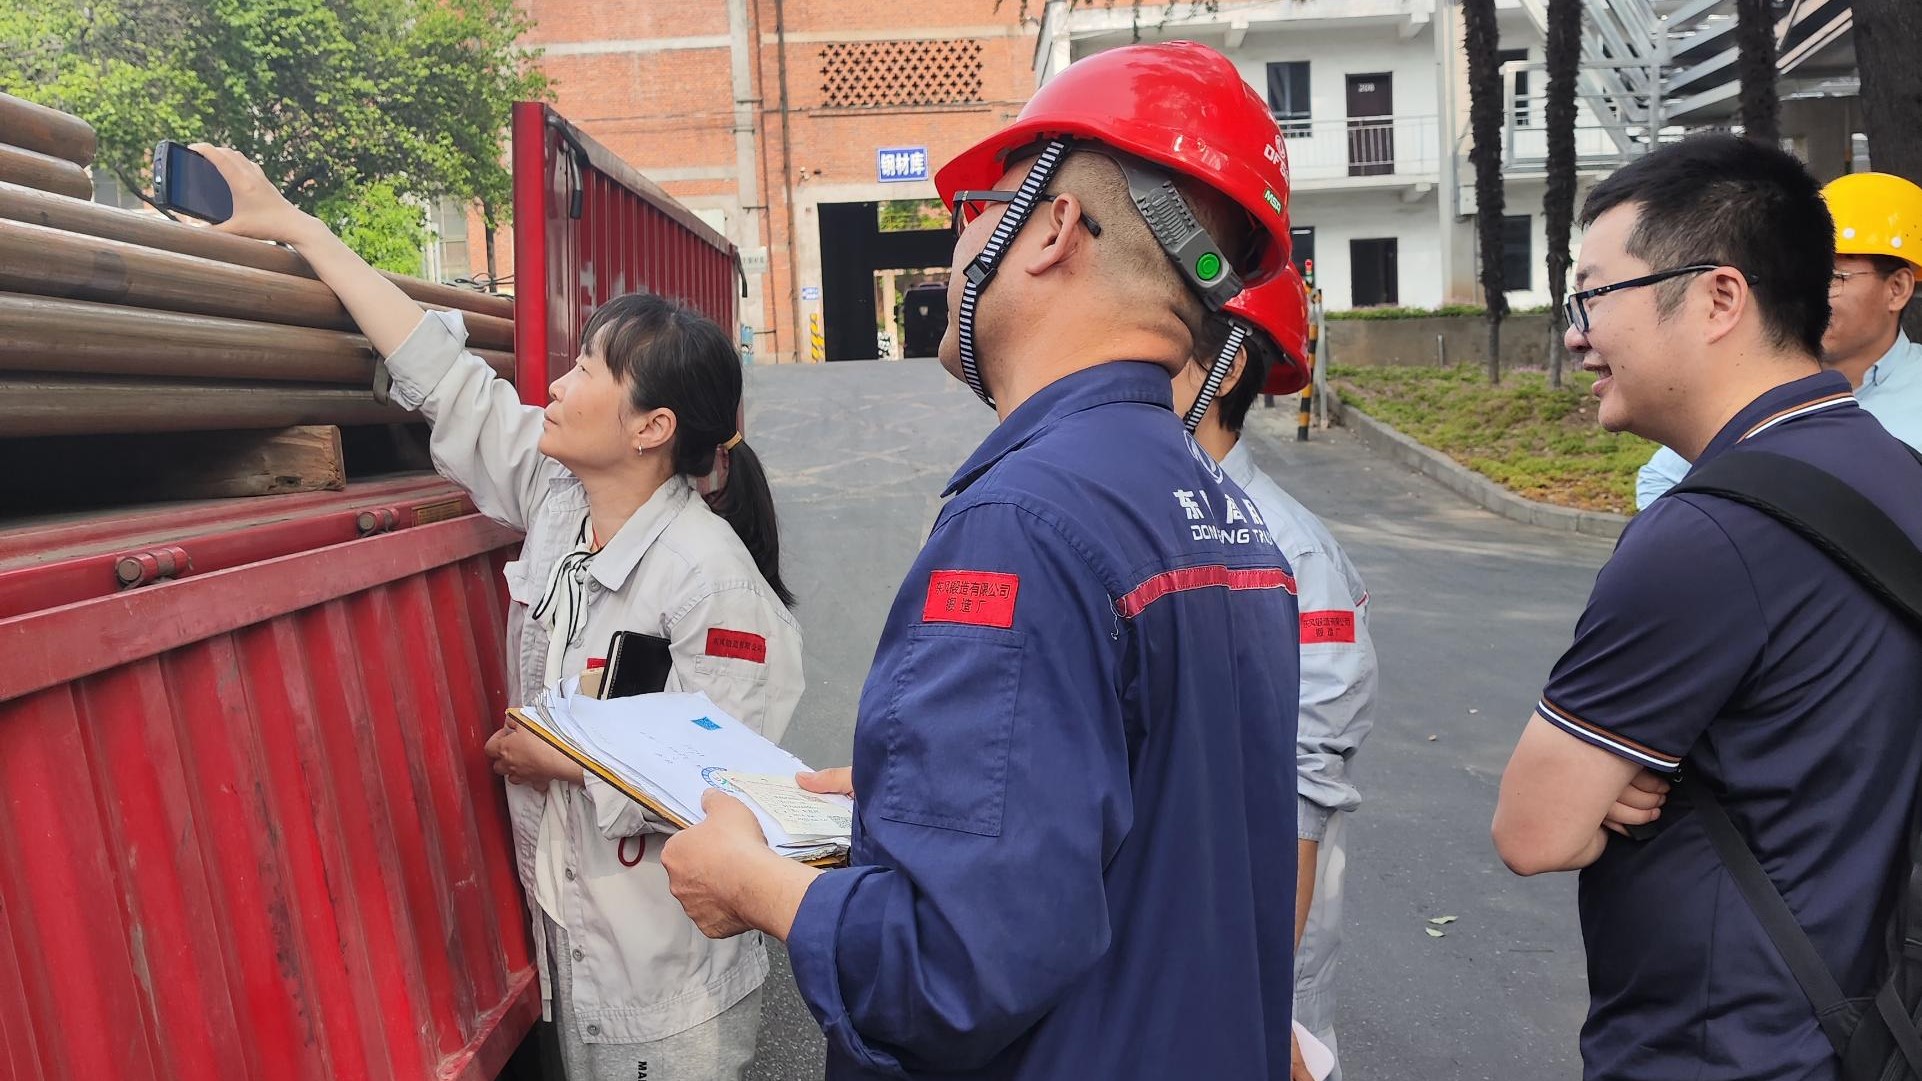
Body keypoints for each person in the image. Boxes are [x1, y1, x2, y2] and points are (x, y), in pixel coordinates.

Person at [657, 42, 1306, 1079]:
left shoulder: (1024, 522)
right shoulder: (1229, 521)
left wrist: (750, 881)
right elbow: (1145, 835)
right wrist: (918, 801)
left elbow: (945, 969)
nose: (956, 251)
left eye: (974, 213)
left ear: (1051, 228)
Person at [196, 146, 805, 1081]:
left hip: (668, 989)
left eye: (587, 371)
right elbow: (446, 379)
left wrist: (562, 758)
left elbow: (732, 781)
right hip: (584, 959)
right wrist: (298, 228)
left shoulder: (709, 581)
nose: (556, 386)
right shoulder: (560, 499)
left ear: (652, 428)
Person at [1491, 135, 1922, 1081]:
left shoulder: (1705, 534)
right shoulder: (1897, 471)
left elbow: (1535, 828)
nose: (1576, 335)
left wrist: (1632, 781)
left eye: (1596, 295)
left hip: (1720, 1047)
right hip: (1868, 1026)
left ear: (1721, 297)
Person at [1175, 267, 1378, 1081]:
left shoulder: (1295, 554)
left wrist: (1261, 998)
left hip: (1251, 956)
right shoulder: (1139, 521)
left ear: (1224, 369)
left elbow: (1304, 781)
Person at [1634, 170, 1922, 508]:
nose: (1808, 297)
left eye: (1834, 278)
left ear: (1897, 289)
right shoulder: (1758, 379)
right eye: (1804, 278)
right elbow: (1660, 480)